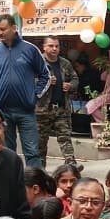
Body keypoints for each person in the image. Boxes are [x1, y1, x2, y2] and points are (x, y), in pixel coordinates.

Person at [0, 15, 50, 167]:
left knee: (32, 152)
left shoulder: (30, 49)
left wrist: (35, 95)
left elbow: (46, 75)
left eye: (3, 29)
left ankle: (34, 185)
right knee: (5, 152)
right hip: (1, 111)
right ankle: (9, 185)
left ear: (14, 28)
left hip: (26, 111)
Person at [36, 36, 80, 168]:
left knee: (65, 137)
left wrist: (70, 86)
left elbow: (75, 79)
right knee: (41, 142)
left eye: (57, 46)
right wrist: (46, 81)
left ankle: (71, 164)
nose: (54, 49)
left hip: (61, 108)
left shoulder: (65, 63)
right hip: (42, 109)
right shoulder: (37, 62)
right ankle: (40, 169)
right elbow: (27, 82)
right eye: (51, 46)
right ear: (44, 47)